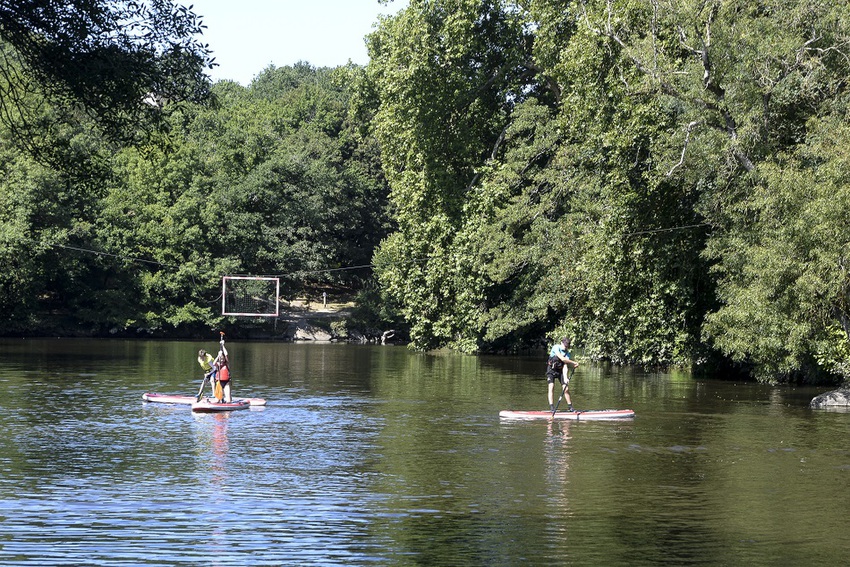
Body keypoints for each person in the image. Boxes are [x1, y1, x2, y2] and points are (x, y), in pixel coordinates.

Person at [547, 337, 579, 412]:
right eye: (565, 345)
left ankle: (570, 407)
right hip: (551, 370)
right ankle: (552, 408)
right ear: (561, 343)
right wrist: (574, 362)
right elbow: (562, 359)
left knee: (566, 388)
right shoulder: (556, 347)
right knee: (551, 387)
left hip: (560, 371)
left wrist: (565, 378)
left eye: (567, 346)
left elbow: (565, 365)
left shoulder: (567, 353)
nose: (566, 347)